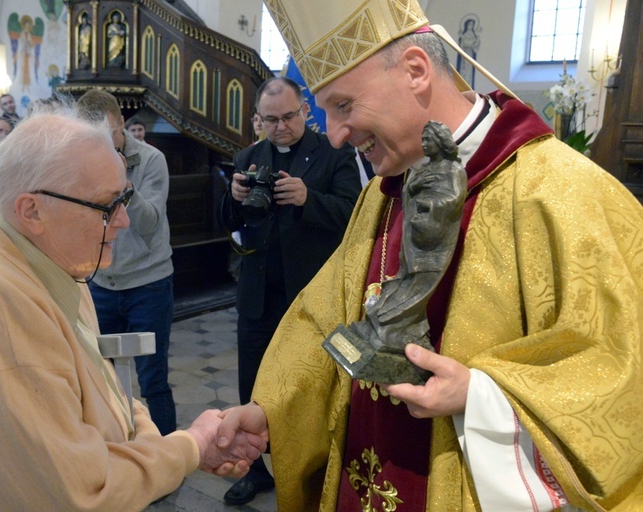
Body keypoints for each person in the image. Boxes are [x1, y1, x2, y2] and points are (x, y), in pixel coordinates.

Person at [218, 1, 643, 511]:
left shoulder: (561, 192)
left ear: (416, 71)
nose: (333, 134)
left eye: (344, 105)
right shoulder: (381, 195)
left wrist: (482, 396)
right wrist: (272, 412)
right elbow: (324, 317)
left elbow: (619, 374)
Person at [0, 105, 266, 511]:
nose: (122, 221)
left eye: (123, 198)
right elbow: (69, 496)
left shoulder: (56, 260)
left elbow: (106, 392)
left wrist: (174, 448)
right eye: (107, 206)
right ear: (31, 210)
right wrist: (188, 447)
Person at [219, 76, 361, 506]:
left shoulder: (335, 153)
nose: (279, 127)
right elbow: (228, 222)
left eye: (287, 117)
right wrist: (233, 194)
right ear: (257, 120)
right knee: (253, 384)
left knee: (313, 385)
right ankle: (256, 470)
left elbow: (356, 215)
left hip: (311, 296)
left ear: (305, 112)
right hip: (259, 296)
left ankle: (316, 466)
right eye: (269, 120)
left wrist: (307, 198)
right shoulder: (249, 156)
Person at [76, 90, 177, 437]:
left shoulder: (152, 160)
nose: (99, 146)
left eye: (105, 136)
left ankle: (168, 459)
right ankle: (117, 454)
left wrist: (122, 183)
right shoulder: (82, 160)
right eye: (91, 139)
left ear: (121, 124)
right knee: (98, 377)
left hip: (148, 285)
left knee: (152, 379)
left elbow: (149, 222)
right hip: (101, 284)